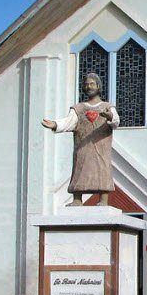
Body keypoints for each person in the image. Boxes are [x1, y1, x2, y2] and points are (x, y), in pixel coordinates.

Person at [42, 73, 119, 206]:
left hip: (101, 147)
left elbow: (116, 121)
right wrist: (55, 124)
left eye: (92, 84)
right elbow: (68, 122)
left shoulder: (107, 106)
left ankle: (103, 199)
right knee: (80, 169)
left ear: (98, 86)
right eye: (87, 84)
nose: (89, 87)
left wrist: (109, 116)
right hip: (83, 147)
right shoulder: (78, 108)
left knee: (102, 169)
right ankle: (77, 199)